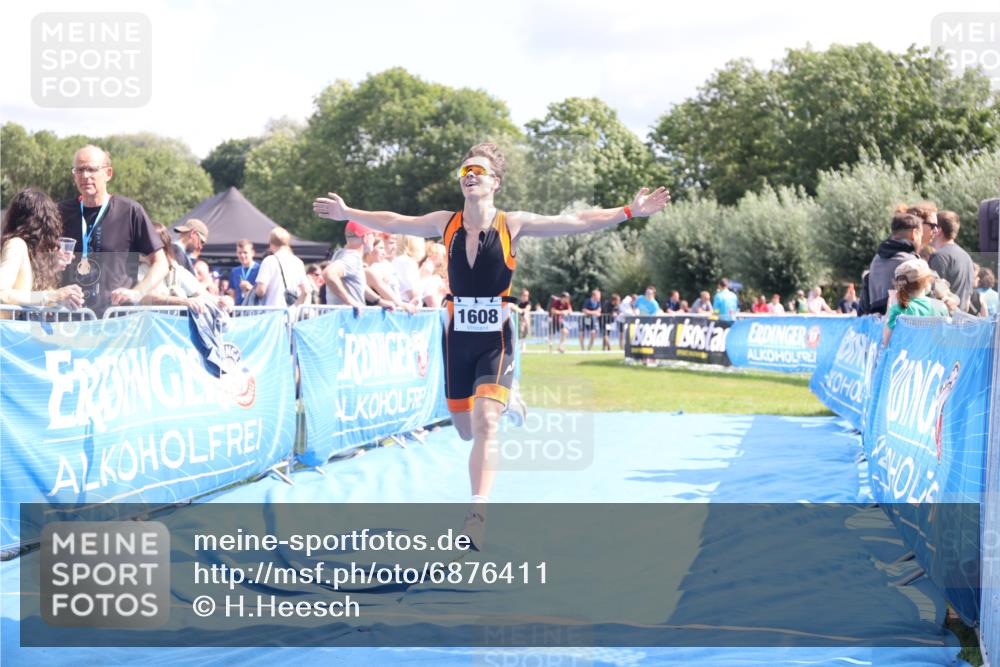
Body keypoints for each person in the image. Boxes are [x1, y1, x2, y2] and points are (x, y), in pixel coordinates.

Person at [313, 142, 669, 550]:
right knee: (464, 430)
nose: (469, 175)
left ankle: (477, 517)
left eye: (477, 171)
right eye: (464, 170)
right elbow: (395, 220)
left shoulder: (512, 223)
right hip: (457, 337)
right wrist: (347, 213)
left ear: (495, 182)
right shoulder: (444, 222)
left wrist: (629, 211)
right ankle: (509, 398)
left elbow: (576, 220)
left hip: (495, 336)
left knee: (486, 423)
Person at [58, 145, 168, 314]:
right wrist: (53, 260)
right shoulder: (60, 212)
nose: (85, 176)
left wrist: (138, 292)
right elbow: (39, 260)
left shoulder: (130, 211)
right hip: (70, 321)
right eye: (79, 170)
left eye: (91, 169)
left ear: (108, 174)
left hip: (116, 322)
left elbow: (161, 263)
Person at [1, 189, 83, 310]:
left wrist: (62, 298)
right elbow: (2, 292)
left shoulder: (29, 252)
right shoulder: (16, 245)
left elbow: (31, 296)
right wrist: (52, 295)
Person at [323, 220, 395, 310]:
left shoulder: (340, 253)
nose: (374, 239)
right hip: (347, 319)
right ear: (365, 238)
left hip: (343, 317)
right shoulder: (352, 258)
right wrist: (350, 301)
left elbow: (359, 285)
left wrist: (379, 301)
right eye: (372, 235)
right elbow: (329, 273)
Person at [861, 211, 921, 315]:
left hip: (877, 327)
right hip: (902, 326)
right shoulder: (912, 263)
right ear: (914, 234)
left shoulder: (876, 260)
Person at [882, 258, 949, 345]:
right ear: (926, 281)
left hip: (906, 356)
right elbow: (946, 338)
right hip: (933, 357)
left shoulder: (897, 309)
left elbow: (886, 341)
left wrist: (888, 311)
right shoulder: (940, 307)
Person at [927, 211, 974, 312]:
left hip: (944, 322)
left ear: (939, 230)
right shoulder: (966, 257)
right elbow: (967, 299)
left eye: (933, 226)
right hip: (961, 321)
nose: (931, 230)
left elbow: (933, 295)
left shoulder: (939, 256)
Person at [253, 227, 309, 307]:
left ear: (271, 243)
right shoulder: (298, 262)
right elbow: (306, 291)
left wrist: (252, 292)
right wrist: (295, 307)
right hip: (291, 314)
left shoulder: (269, 261)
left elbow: (261, 290)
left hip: (272, 311)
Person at [227, 239, 260, 306]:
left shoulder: (260, 269)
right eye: (239, 253)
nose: (242, 255)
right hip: (239, 311)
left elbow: (264, 292)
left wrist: (250, 287)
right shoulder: (235, 271)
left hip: (255, 309)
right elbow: (232, 293)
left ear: (253, 253)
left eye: (245, 252)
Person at [393, 235, 424, 302]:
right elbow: (413, 293)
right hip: (407, 306)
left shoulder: (400, 260)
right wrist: (425, 276)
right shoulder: (406, 261)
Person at [516, 287, 532, 353]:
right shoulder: (517, 302)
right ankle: (519, 347)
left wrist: (522, 311)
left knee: (523, 335)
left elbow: (527, 309)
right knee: (519, 333)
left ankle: (523, 348)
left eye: (527, 295)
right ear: (521, 296)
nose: (526, 297)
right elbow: (515, 308)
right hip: (518, 321)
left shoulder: (528, 302)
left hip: (525, 321)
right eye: (525, 295)